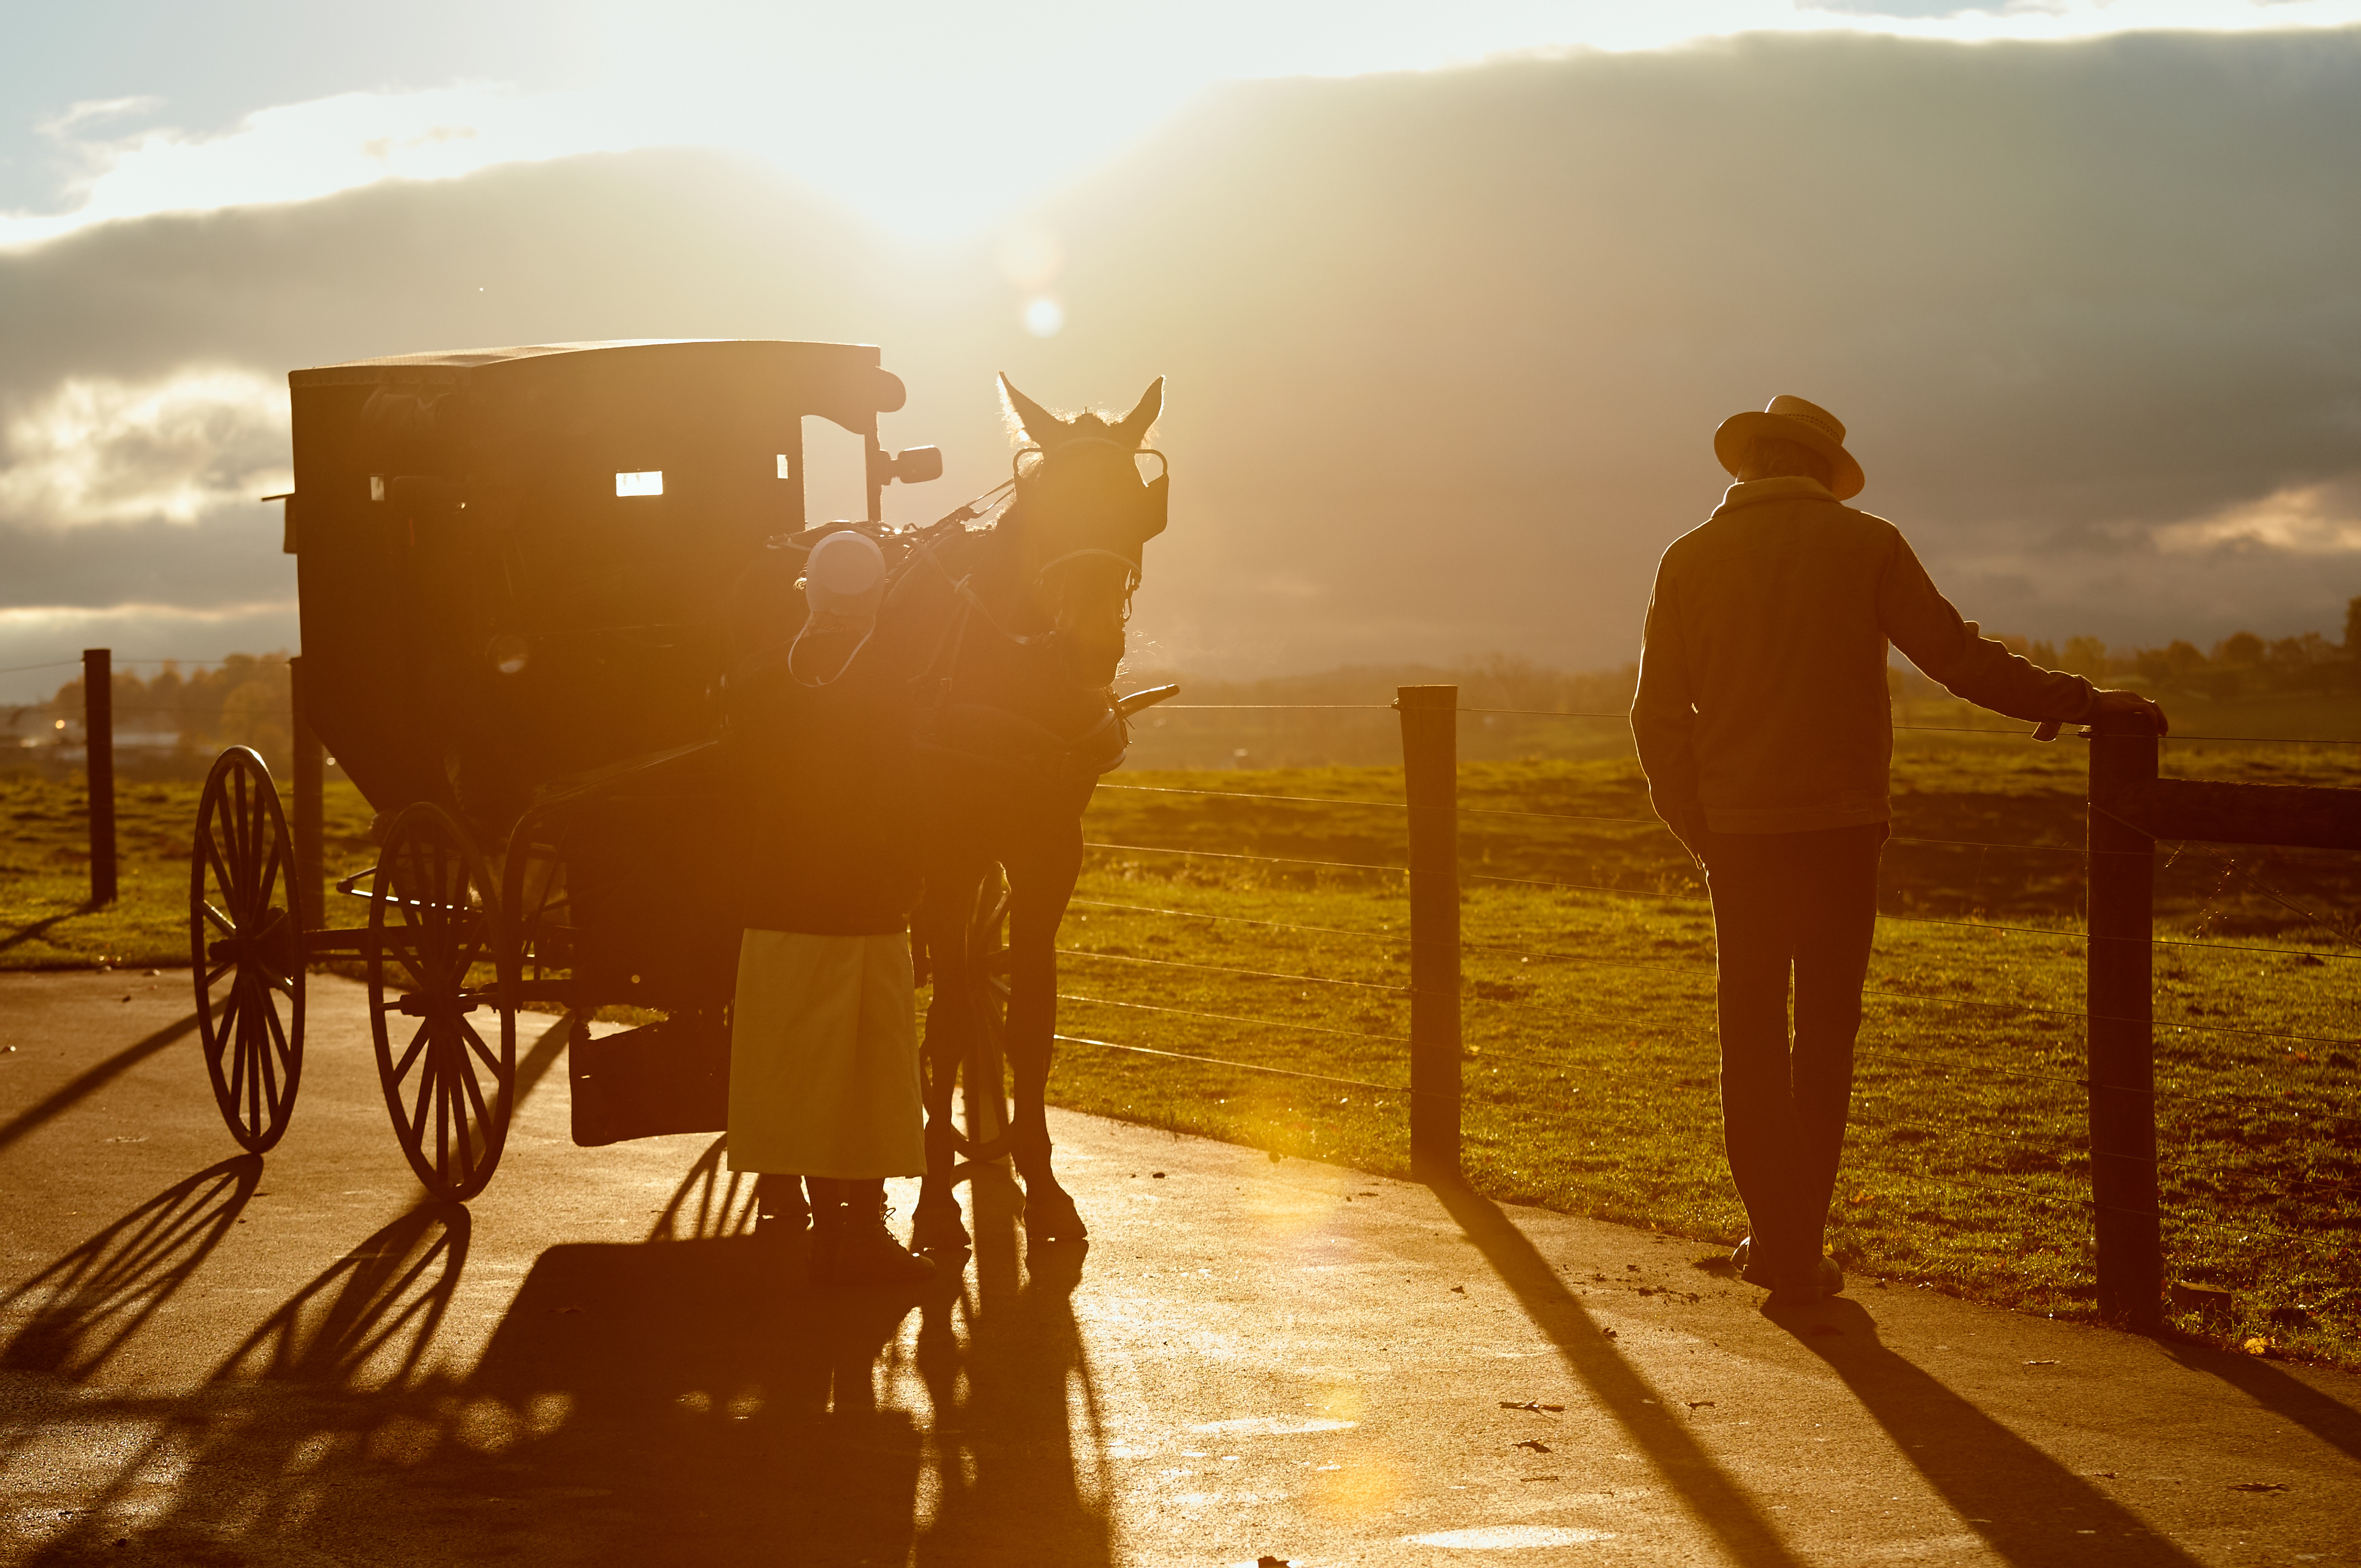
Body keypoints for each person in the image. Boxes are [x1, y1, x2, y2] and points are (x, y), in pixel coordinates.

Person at [1630, 395, 2166, 1305]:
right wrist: (2080, 700)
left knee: (1751, 1038)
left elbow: (1656, 718)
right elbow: (1956, 657)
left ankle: (1781, 1241)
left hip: (1741, 836)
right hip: (1842, 830)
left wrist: (1701, 829)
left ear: (1747, 461)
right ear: (1818, 468)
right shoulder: (1868, 545)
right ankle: (1795, 1243)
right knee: (1827, 1036)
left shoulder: (1687, 559)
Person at [725, 529, 935, 1288]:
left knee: (803, 1070)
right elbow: (905, 795)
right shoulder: (889, 678)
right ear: (875, 596)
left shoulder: (758, 680)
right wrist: (912, 878)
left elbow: (740, 790)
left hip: (780, 901)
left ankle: (815, 1220)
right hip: (866, 902)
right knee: (871, 1071)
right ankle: (861, 1229)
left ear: (810, 592)